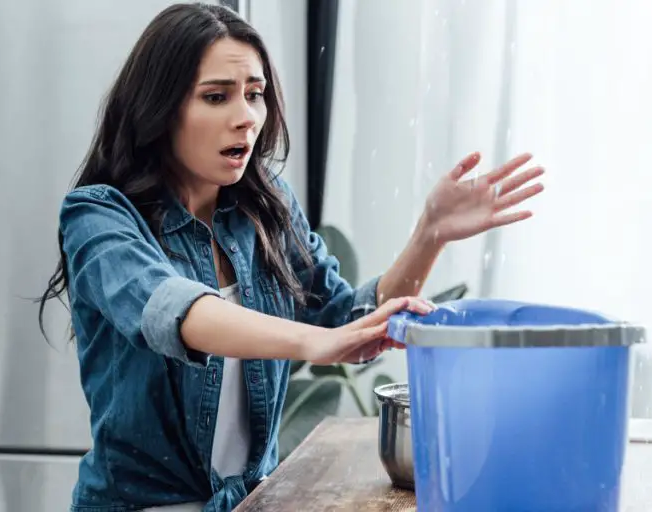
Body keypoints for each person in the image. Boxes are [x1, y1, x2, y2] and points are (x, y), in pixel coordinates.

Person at [37, 3, 545, 511]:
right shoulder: (99, 218)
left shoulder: (266, 209)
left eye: (254, 95)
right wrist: (320, 343)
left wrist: (430, 233)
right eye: (216, 97)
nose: (245, 118)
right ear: (159, 108)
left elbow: (348, 319)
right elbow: (176, 312)